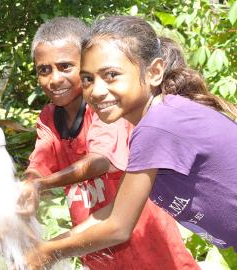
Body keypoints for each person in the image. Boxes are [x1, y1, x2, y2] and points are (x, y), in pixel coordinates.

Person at [24, 15, 237, 269]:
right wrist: (48, 247)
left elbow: (118, 227)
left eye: (111, 75)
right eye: (88, 79)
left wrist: (49, 252)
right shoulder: (157, 121)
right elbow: (115, 210)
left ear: (154, 72)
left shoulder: (158, 126)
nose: (97, 90)